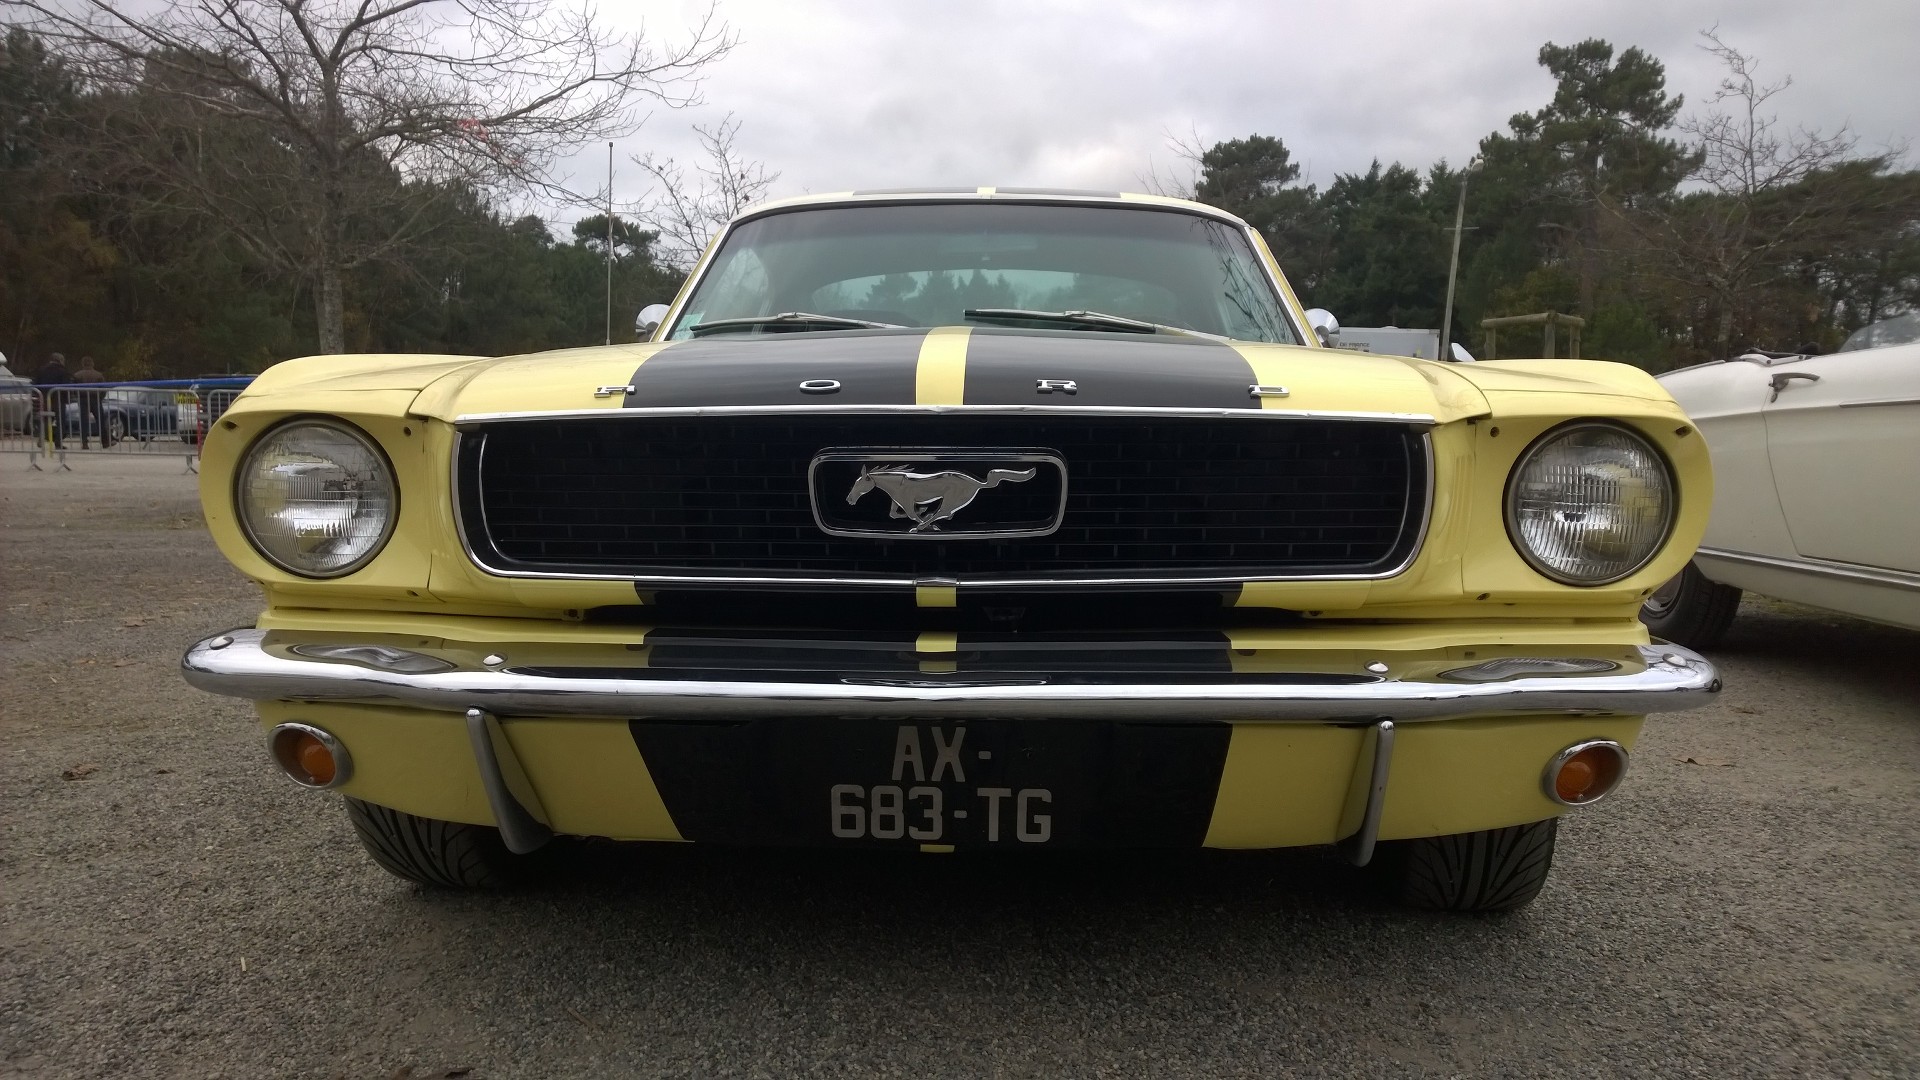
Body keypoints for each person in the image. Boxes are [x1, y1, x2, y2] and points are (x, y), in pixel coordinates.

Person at [31, 352, 69, 450]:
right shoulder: (62, 371)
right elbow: (65, 386)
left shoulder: (42, 369)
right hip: (58, 398)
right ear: (60, 360)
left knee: (45, 419)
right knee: (60, 421)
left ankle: (41, 438)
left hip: (44, 397)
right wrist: (67, 399)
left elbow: (35, 383)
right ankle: (58, 443)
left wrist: (37, 395)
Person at [71, 356, 107, 447]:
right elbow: (103, 389)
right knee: (101, 420)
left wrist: (77, 396)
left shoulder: (77, 375)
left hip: (82, 399)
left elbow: (73, 388)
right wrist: (100, 398)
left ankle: (84, 442)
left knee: (84, 422)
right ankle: (105, 441)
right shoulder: (99, 375)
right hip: (95, 399)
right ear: (92, 363)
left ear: (83, 364)